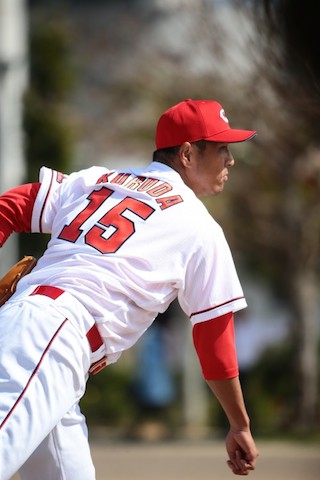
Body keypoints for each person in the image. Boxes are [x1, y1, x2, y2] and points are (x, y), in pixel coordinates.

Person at [0, 98, 259, 479]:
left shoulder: (98, 179)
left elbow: (12, 205)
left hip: (40, 335)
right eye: (221, 148)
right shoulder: (198, 226)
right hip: (53, 339)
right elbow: (213, 339)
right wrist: (240, 424)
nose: (230, 160)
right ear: (188, 153)